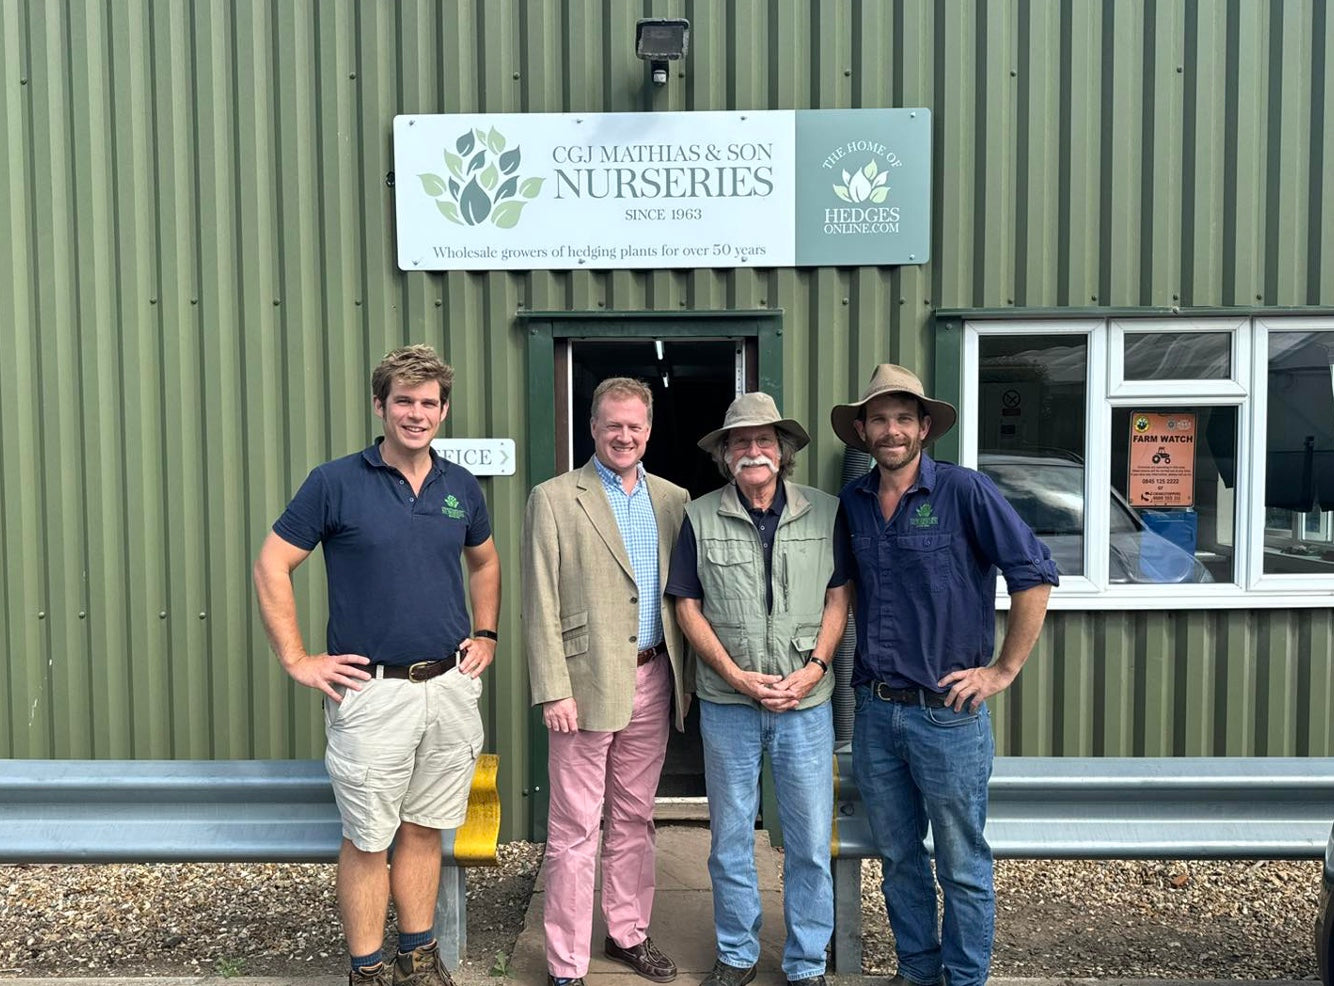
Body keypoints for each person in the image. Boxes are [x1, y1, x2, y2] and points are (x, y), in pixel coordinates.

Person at [253, 344, 501, 986]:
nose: (416, 414)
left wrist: (488, 633)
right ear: (380, 406)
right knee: (368, 836)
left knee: (423, 828)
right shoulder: (334, 482)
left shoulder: (460, 487)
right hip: (373, 691)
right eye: (403, 402)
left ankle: (416, 956)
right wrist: (298, 658)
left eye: (428, 403)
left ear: (443, 411)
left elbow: (486, 562)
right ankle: (368, 967)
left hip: (448, 686)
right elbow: (272, 563)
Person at [831, 364, 1058, 986]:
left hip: (946, 714)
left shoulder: (966, 492)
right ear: (861, 430)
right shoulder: (852, 502)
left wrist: (1002, 669)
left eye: (904, 418)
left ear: (925, 428)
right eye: (879, 418)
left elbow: (1034, 574)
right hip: (876, 710)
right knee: (899, 858)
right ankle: (917, 971)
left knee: (961, 863)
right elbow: (841, 593)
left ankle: (964, 978)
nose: (892, 430)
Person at [667, 392, 852, 986]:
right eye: (740, 442)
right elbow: (687, 606)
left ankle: (804, 963)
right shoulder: (699, 516)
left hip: (805, 704)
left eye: (764, 441)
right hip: (729, 705)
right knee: (729, 841)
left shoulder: (827, 512)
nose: (753, 450)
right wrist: (734, 676)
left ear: (784, 451)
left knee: (806, 842)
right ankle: (737, 954)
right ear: (726, 455)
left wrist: (818, 666)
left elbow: (837, 596)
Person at [522, 377, 691, 986]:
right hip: (584, 684)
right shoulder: (556, 497)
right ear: (592, 428)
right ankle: (566, 963)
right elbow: (538, 600)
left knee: (634, 817)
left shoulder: (674, 499)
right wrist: (552, 687)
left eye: (635, 426)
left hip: (654, 674)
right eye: (613, 424)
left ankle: (626, 935)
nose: (625, 435)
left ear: (648, 431)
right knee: (573, 828)